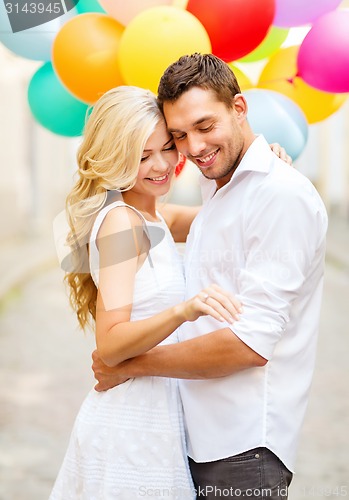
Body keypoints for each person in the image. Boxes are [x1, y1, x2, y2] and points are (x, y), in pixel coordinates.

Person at [92, 54, 328, 499]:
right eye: (178, 136)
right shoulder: (218, 188)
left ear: (239, 108)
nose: (192, 148)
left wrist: (129, 364)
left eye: (204, 126)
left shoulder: (278, 195)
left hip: (241, 447)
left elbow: (249, 344)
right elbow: (163, 221)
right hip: (189, 435)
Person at [49, 85, 247, 499]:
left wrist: (262, 162)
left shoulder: (156, 215)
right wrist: (184, 311)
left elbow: (233, 218)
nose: (161, 165)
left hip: (161, 413)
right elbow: (110, 343)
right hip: (130, 425)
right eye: (141, 156)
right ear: (116, 157)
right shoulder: (123, 224)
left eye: (166, 147)